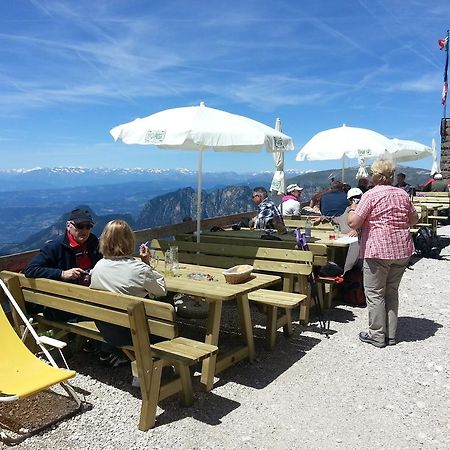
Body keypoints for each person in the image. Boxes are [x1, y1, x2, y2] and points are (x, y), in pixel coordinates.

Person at [347, 160, 419, 348]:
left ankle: (377, 335)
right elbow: (414, 219)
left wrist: (354, 208)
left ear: (376, 176)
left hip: (378, 250)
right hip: (402, 249)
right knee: (391, 292)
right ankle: (391, 335)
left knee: (375, 293)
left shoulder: (370, 195)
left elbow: (354, 224)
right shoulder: (402, 194)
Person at [89, 219, 167, 366]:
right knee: (166, 303)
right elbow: (161, 290)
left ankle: (111, 351)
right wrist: (146, 264)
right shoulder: (138, 269)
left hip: (106, 329)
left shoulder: (98, 266)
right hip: (135, 333)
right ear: (130, 240)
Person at [23, 208, 102, 321]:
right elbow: (30, 269)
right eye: (80, 226)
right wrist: (62, 274)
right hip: (66, 306)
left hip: (92, 298)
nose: (85, 230)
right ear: (68, 225)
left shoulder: (93, 242)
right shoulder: (55, 247)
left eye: (88, 226)